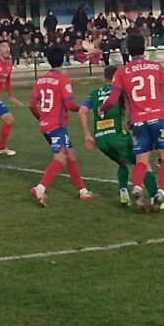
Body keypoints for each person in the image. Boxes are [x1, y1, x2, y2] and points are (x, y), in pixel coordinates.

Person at [99, 33, 164, 212]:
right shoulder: (157, 67)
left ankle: (138, 186)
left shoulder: (122, 72)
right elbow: (158, 90)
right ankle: (161, 192)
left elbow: (113, 98)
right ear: (145, 47)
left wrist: (102, 108)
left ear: (128, 51)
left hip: (139, 121)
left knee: (141, 159)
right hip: (158, 115)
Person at [79, 65, 161, 207]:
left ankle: (123, 192)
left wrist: (87, 135)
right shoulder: (120, 92)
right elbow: (130, 107)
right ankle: (155, 198)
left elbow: (82, 111)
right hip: (118, 136)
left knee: (122, 163)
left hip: (100, 139)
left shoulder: (94, 93)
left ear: (104, 77)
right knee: (143, 162)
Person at [28, 46, 94, 207]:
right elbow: (69, 104)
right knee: (61, 158)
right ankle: (40, 188)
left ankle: (82, 191)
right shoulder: (63, 79)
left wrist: (40, 118)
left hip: (45, 125)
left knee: (71, 155)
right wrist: (82, 108)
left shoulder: (41, 79)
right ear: (63, 59)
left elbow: (31, 104)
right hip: (57, 126)